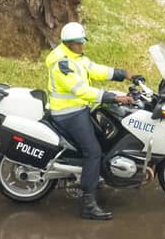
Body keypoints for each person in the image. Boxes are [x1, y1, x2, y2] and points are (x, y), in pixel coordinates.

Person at [46, 22, 132, 221]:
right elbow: (81, 91)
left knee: (104, 141)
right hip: (68, 113)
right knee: (92, 152)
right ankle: (88, 204)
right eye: (79, 43)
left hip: (79, 109)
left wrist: (123, 74)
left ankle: (96, 175)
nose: (82, 46)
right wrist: (113, 97)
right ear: (69, 43)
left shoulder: (76, 57)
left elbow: (95, 70)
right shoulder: (62, 64)